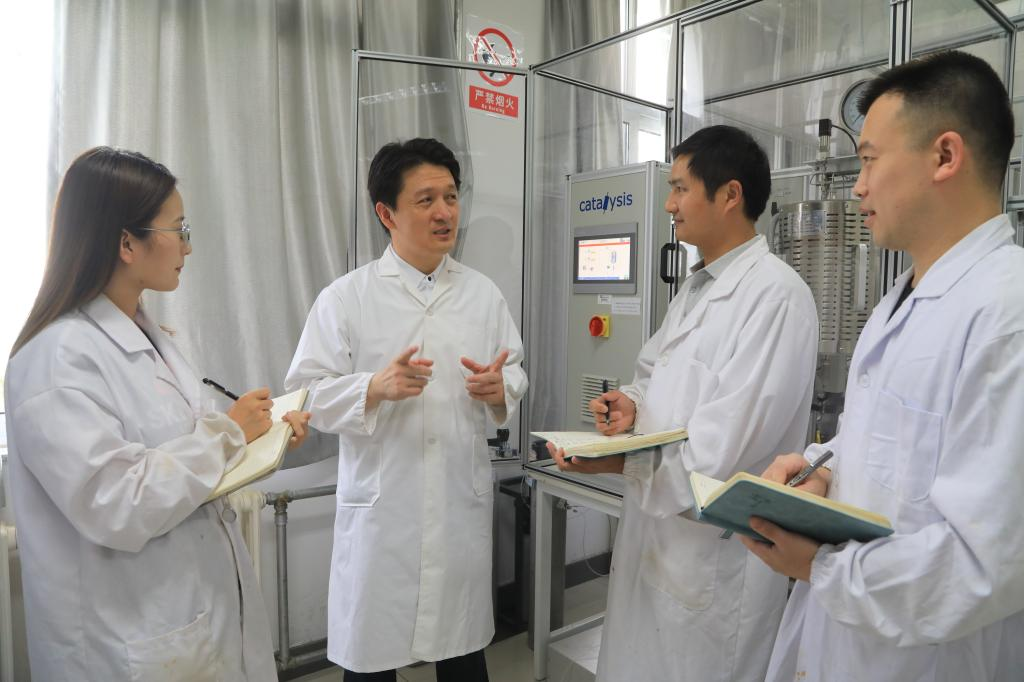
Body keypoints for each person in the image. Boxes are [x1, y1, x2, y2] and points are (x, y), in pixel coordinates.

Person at [742, 51, 1024, 682]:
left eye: (869, 160)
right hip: (851, 645)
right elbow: (880, 445)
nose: (858, 187)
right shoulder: (903, 299)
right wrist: (820, 469)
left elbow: (985, 564)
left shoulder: (1007, 315)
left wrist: (820, 568)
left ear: (944, 156)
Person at [4, 146, 310, 681]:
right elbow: (117, 501)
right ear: (127, 243)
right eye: (179, 229)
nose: (188, 246)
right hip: (125, 639)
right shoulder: (56, 360)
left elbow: (181, 456)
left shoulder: (150, 337)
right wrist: (228, 435)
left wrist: (261, 440)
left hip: (189, 610)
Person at [548, 125, 819, 681]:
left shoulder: (776, 297)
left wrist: (619, 462)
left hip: (713, 564)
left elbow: (721, 453)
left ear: (730, 195)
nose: (669, 204)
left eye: (679, 188)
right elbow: (653, 374)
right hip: (657, 544)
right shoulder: (696, 288)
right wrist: (630, 403)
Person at [285, 137, 527, 681]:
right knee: (372, 656)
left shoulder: (483, 294)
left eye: (451, 197)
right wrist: (373, 387)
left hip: (457, 505)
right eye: (426, 200)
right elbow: (305, 394)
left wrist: (500, 388)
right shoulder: (346, 298)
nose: (445, 212)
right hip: (383, 515)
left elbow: (515, 369)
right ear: (386, 213)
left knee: (462, 653)